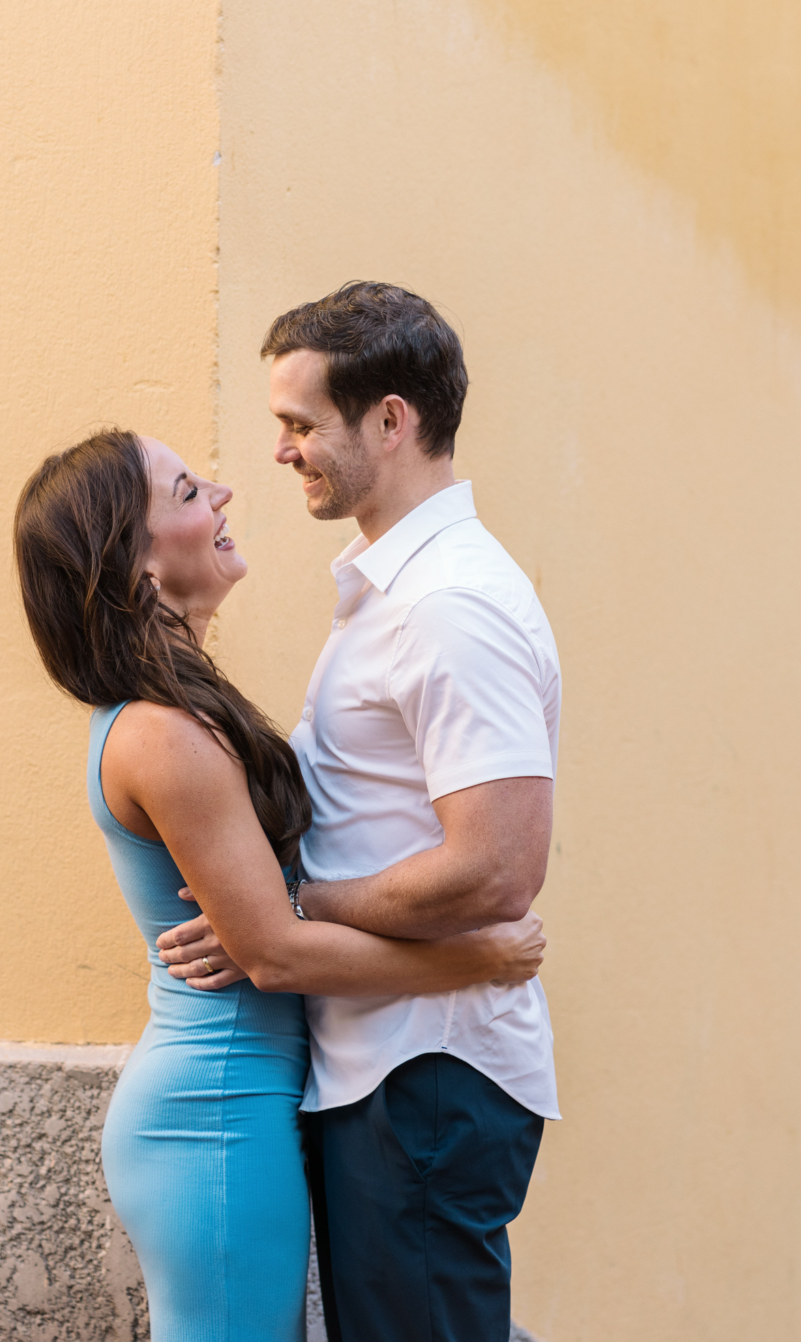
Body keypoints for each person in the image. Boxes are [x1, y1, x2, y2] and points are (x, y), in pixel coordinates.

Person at [14, 427, 546, 1342]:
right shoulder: (161, 735)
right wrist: (476, 959)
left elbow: (268, 925)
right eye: (185, 492)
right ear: (136, 567)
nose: (222, 492)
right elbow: (273, 951)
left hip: (248, 1096)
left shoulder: (180, 712)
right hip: (214, 1111)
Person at [159, 282, 561, 1342]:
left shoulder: (448, 607)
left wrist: (296, 910)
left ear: (392, 419)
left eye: (300, 425)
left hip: (423, 1071)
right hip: (388, 1066)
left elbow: (497, 871)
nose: (280, 452)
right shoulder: (396, 592)